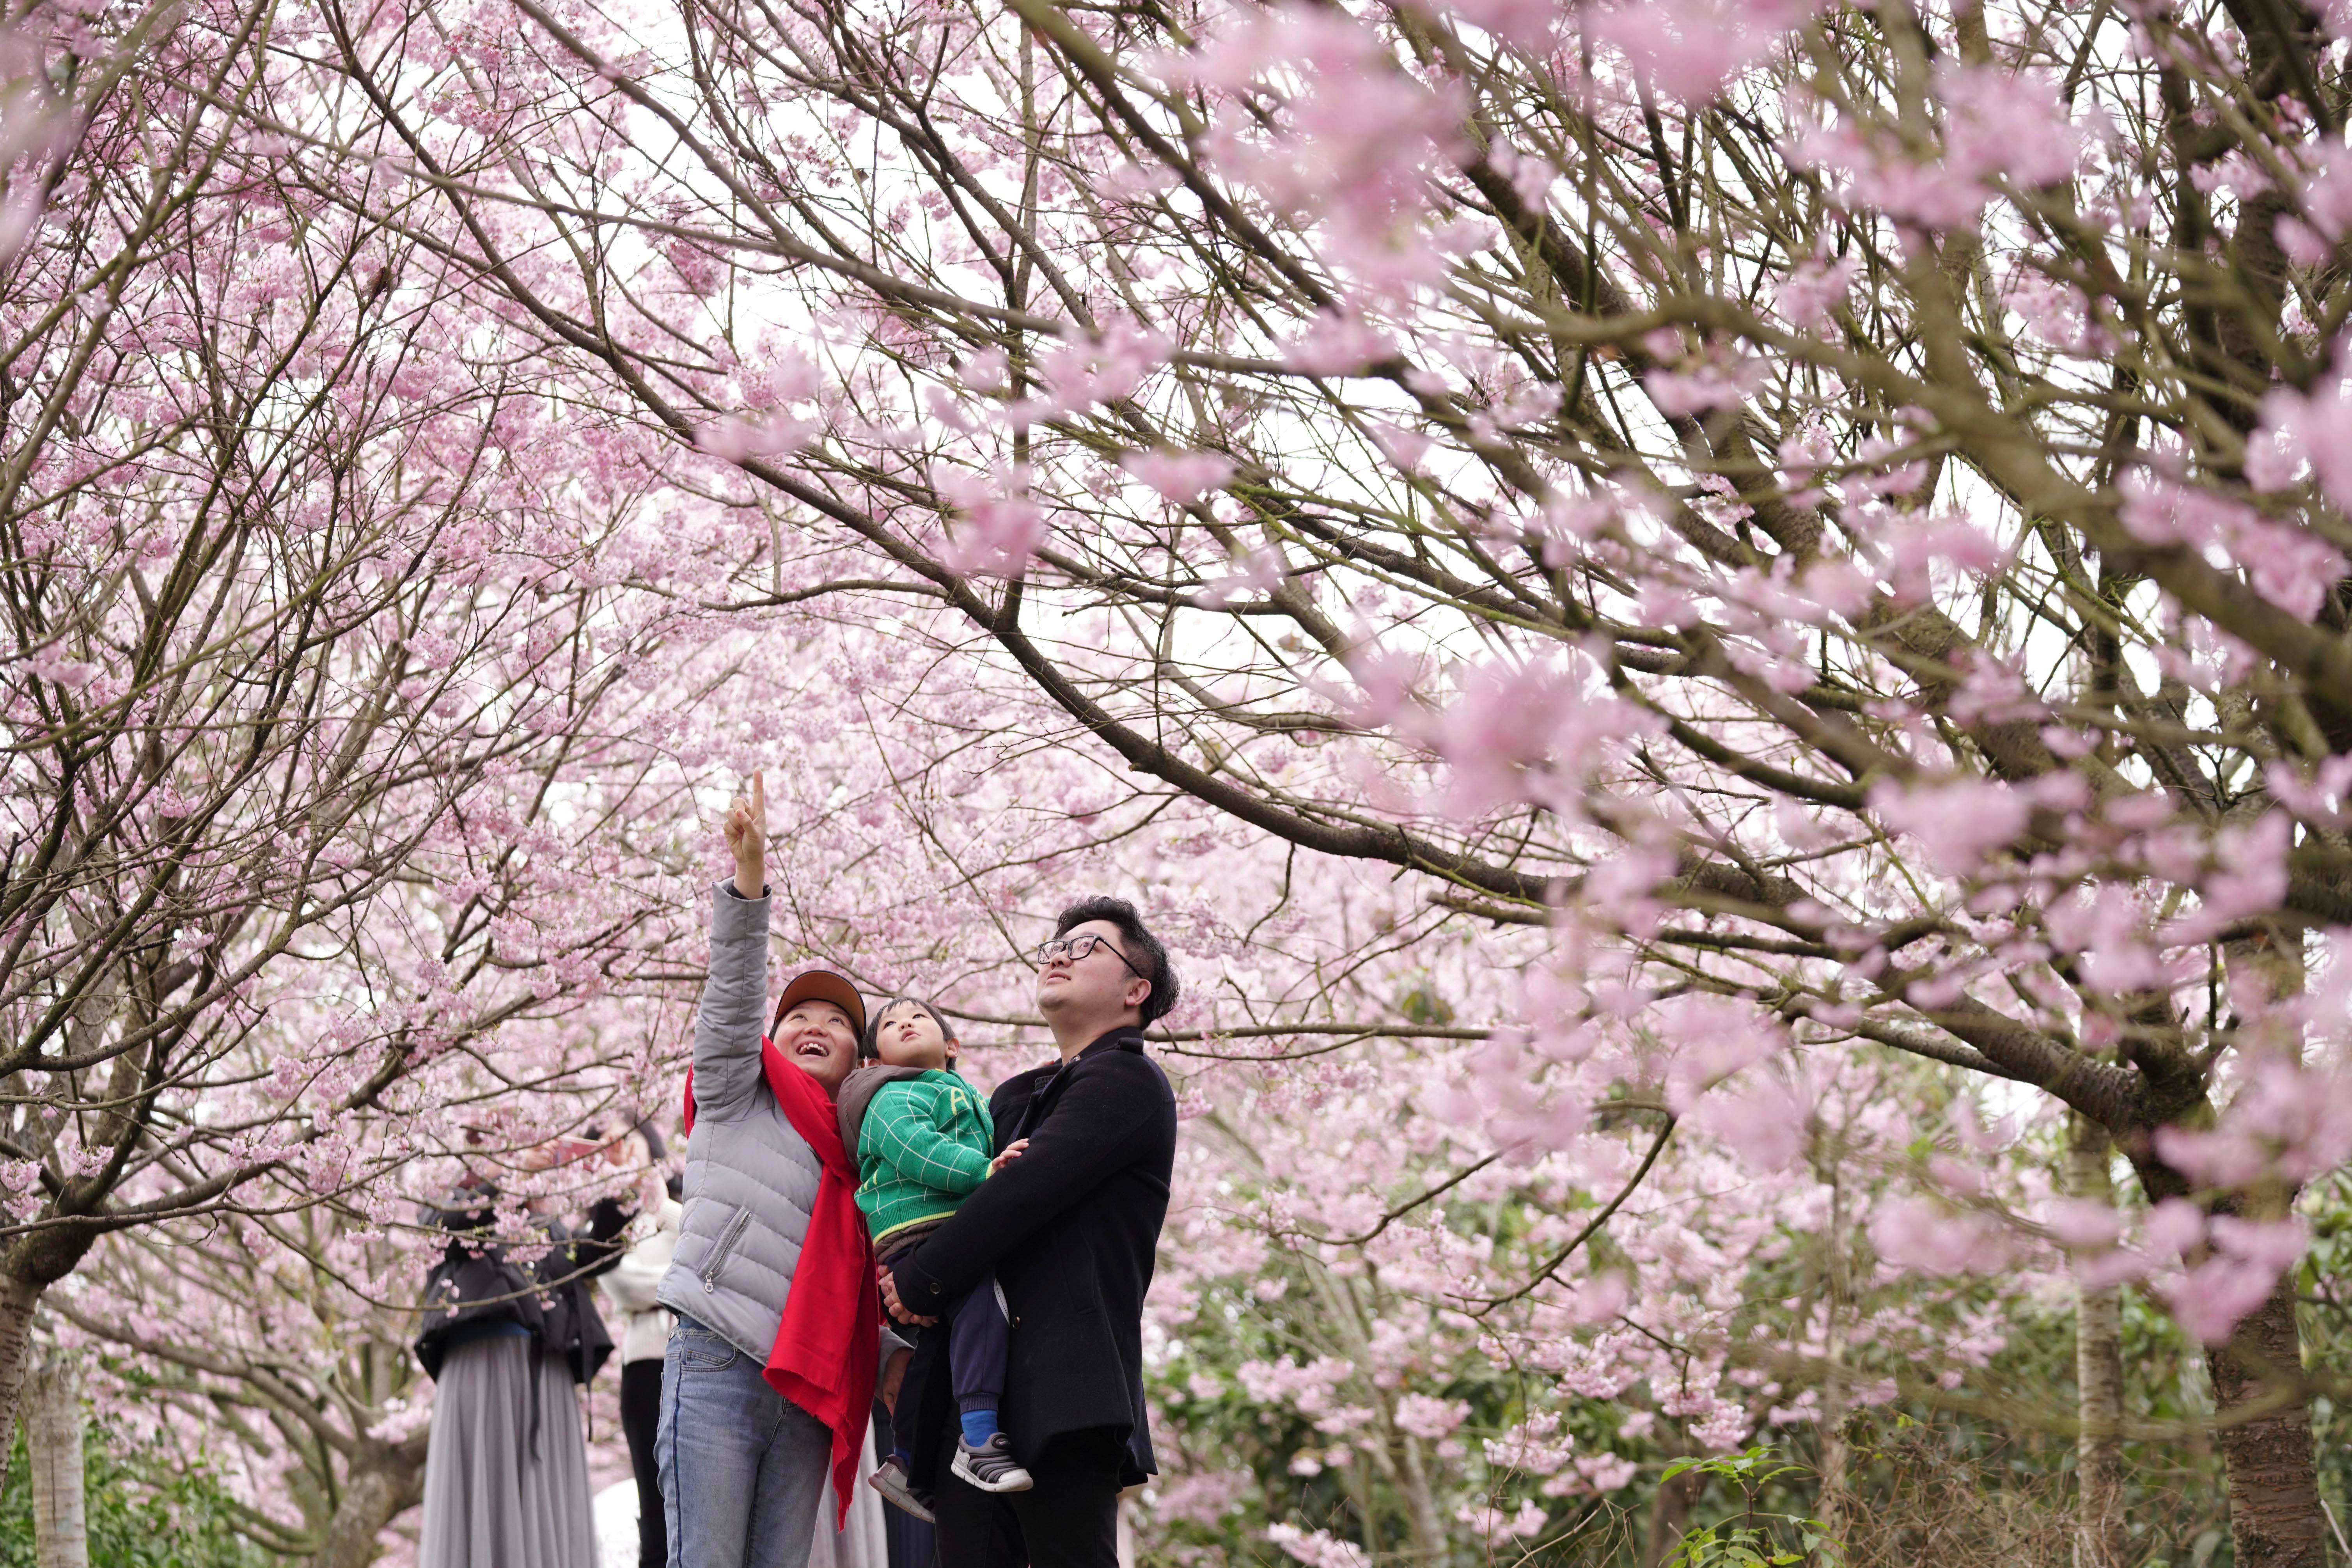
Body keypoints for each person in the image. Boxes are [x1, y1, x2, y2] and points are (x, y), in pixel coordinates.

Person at [657, 770, 912, 1568]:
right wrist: (750, 880)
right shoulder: (735, 1090)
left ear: (860, 1056)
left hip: (806, 1389)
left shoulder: (871, 1158)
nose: (813, 1025)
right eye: (798, 1014)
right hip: (719, 1356)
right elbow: (732, 998)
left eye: (836, 1021)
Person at [880, 896, 1181, 1568]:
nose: (1059, 954)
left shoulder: (1128, 1080)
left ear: (1137, 990)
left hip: (1063, 1384)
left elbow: (1024, 1191)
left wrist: (918, 1279)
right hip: (975, 1393)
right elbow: (952, 1194)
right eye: (1056, 943)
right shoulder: (1014, 1096)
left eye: (1086, 947)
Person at [837, 999, 1031, 1524]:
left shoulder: (967, 1095)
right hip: (917, 1226)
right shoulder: (888, 1097)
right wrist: (985, 1169)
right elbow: (914, 1149)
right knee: (984, 1306)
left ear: (952, 1046)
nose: (904, 1021)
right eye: (891, 1022)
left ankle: (908, 1459)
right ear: (875, 1059)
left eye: (919, 1016)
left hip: (949, 1227)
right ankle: (978, 1436)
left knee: (942, 1344)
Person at [414, 1134, 635, 1568]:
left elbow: (599, 1254)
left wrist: (615, 1186)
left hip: (545, 1379)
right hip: (480, 1369)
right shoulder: (448, 1199)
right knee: (484, 1497)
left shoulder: (548, 1229)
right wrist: (512, 1179)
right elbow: (443, 1229)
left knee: (544, 1504)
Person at [603, 1121, 685, 1568]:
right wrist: (679, 1283)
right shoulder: (610, 1218)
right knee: (651, 1497)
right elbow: (617, 1283)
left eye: (625, 1141)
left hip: (688, 1353)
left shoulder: (680, 1203)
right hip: (640, 1364)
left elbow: (705, 1257)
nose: (616, 1152)